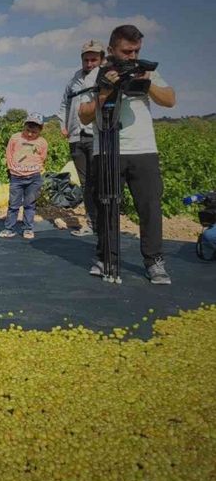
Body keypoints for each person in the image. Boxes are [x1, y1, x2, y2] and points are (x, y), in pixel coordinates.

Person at [79, 24, 176, 285]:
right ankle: (105, 258)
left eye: (136, 50)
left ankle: (154, 261)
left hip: (144, 149)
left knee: (150, 207)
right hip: (107, 148)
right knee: (106, 207)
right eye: (127, 51)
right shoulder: (97, 74)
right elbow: (84, 115)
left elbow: (169, 100)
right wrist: (105, 92)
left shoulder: (146, 70)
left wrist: (148, 84)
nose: (132, 56)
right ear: (111, 50)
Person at [59, 40, 104, 237]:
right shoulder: (74, 80)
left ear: (101, 59)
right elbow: (64, 105)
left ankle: (105, 224)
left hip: (97, 135)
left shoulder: (106, 78)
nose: (89, 64)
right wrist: (63, 125)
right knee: (86, 183)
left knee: (100, 181)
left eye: (94, 59)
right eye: (86, 60)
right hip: (76, 137)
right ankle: (91, 223)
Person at [0, 113, 48, 239]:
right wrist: (11, 168)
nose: (30, 134)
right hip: (16, 177)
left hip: (34, 178)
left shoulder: (42, 142)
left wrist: (36, 169)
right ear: (24, 126)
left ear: (40, 130)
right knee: (13, 204)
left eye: (34, 131)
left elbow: (43, 157)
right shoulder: (15, 138)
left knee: (29, 204)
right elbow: (9, 153)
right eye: (27, 130)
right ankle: (9, 228)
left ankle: (28, 229)